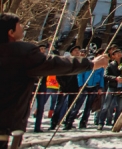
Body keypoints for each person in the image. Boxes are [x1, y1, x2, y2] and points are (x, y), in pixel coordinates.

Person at [0, 14, 106, 149]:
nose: (23, 27)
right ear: (11, 32)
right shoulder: (21, 53)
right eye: (19, 25)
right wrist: (90, 64)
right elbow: (54, 64)